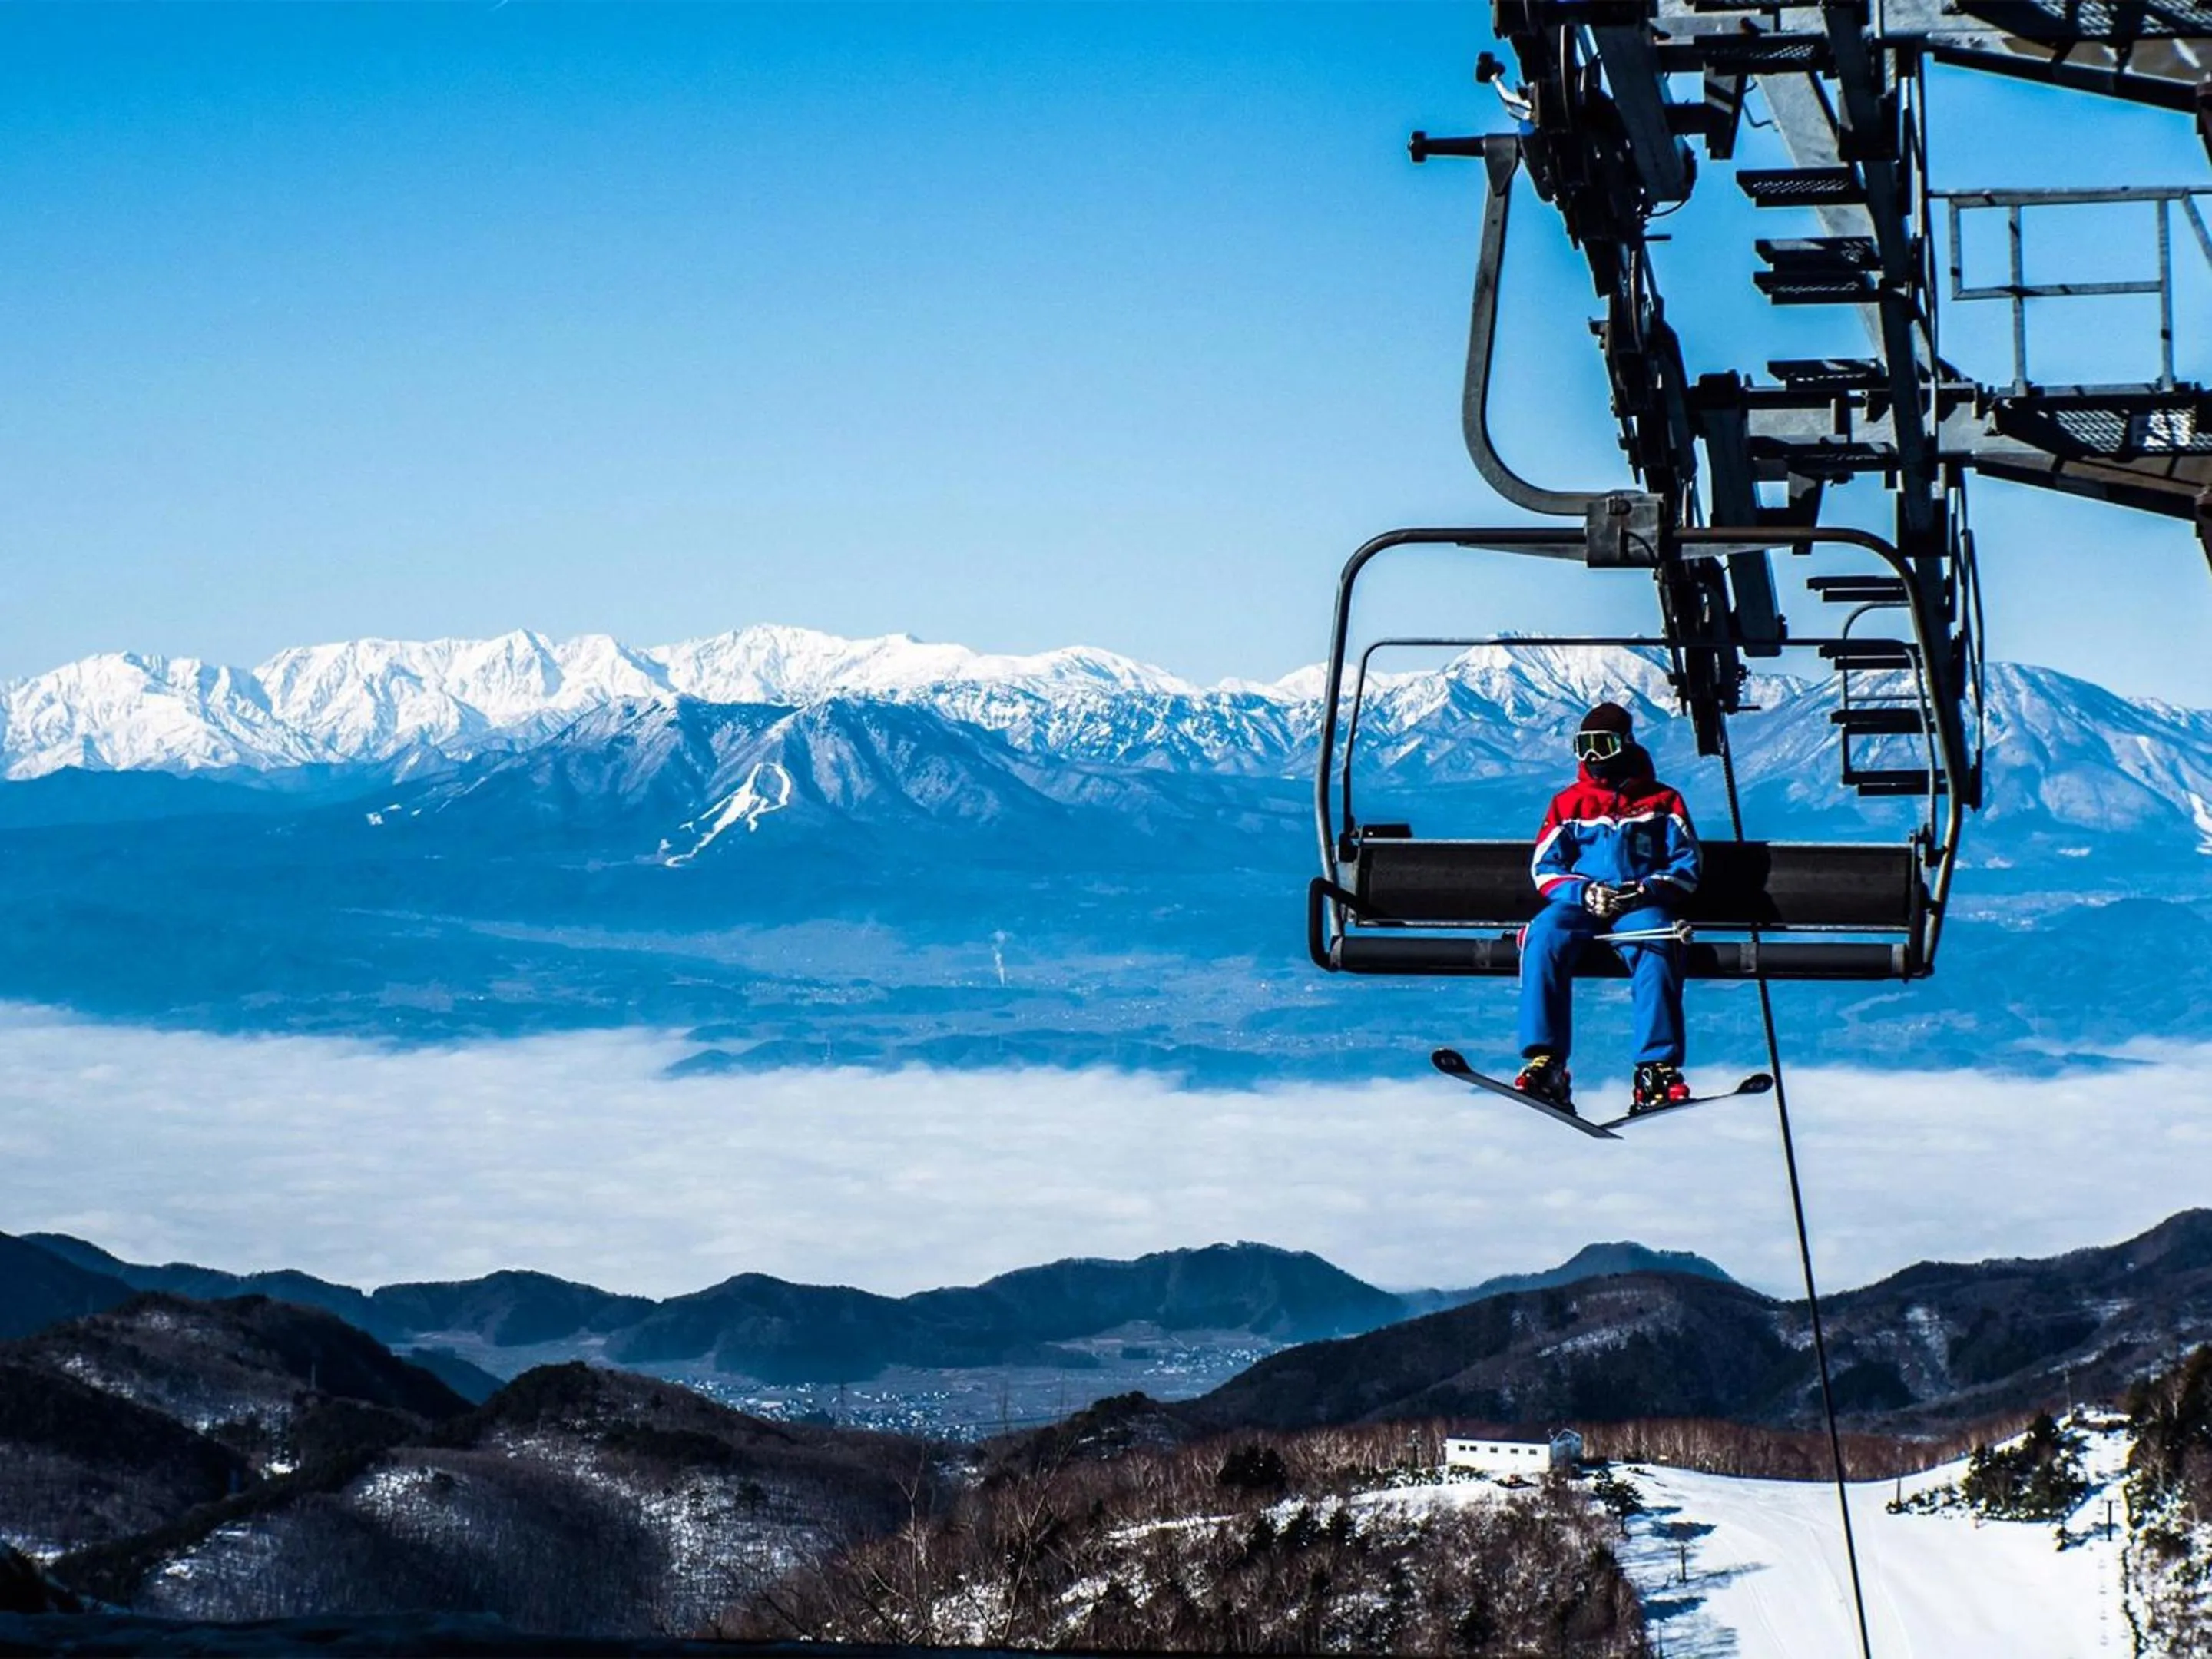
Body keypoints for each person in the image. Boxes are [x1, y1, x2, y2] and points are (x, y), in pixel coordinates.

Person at [1514, 701, 1701, 1115]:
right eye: (1584, 747)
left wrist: (1645, 890)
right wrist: (1583, 893)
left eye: (1602, 745)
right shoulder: (1569, 804)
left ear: (1626, 744)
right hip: (1582, 905)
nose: (1592, 757)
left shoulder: (1662, 801)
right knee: (1542, 936)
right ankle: (1547, 1061)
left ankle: (1655, 1067)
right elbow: (1545, 868)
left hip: (1638, 905)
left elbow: (1686, 867)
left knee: (1657, 943)